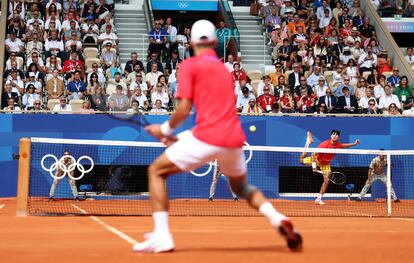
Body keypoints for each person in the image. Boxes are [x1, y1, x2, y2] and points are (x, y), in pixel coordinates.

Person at [134, 19, 302, 253]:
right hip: (232, 138)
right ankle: (276, 217)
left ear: (191, 41)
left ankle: (162, 236)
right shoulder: (225, 71)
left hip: (207, 137)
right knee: (242, 188)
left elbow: (183, 110)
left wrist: (163, 130)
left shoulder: (189, 66)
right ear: (214, 41)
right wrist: (178, 138)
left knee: (156, 171)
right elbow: (216, 117)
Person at [300, 130, 360, 205]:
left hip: (326, 164)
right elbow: (313, 154)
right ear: (330, 136)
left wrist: (354, 144)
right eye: (333, 134)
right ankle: (307, 143)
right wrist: (314, 166)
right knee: (301, 161)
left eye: (336, 135)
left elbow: (344, 145)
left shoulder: (338, 145)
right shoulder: (324, 144)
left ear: (338, 137)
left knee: (326, 180)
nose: (334, 136)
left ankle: (318, 198)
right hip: (317, 160)